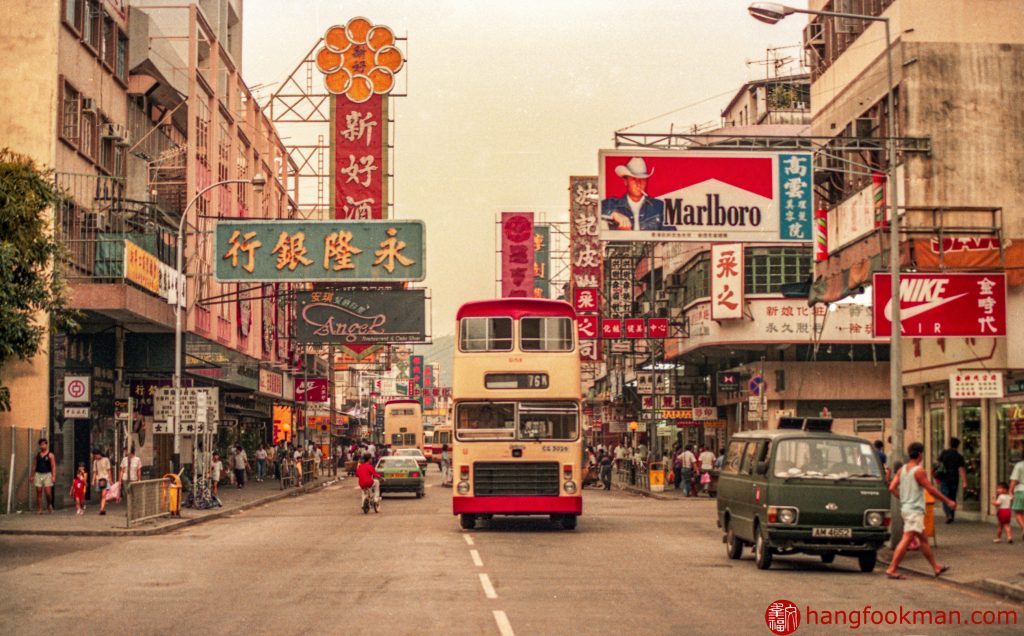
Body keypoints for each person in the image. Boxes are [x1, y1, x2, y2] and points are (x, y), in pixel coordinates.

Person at [886, 442, 955, 580]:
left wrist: (903, 498)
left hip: (907, 509)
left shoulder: (902, 469)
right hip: (914, 511)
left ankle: (936, 567)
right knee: (906, 539)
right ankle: (892, 568)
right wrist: (947, 501)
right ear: (920, 455)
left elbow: (892, 487)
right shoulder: (919, 471)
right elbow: (931, 489)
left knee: (923, 540)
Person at [601, 157, 666, 231]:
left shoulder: (659, 206)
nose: (639, 184)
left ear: (646, 182)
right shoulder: (612, 203)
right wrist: (613, 214)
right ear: (625, 181)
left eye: (642, 179)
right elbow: (598, 208)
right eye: (634, 179)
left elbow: (670, 231)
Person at [935, 438, 967, 523]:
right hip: (954, 479)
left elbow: (938, 464)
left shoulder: (944, 453)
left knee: (945, 496)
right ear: (958, 445)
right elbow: (961, 469)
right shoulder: (959, 456)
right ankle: (951, 515)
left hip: (944, 478)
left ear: (949, 444)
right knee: (952, 497)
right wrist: (964, 481)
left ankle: (947, 514)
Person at [29, 438, 57, 514]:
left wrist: (54, 476)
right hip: (38, 474)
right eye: (41, 445)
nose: (42, 446)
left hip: (47, 474)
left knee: (48, 493)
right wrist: (32, 475)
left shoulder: (50, 455)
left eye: (44, 444)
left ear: (47, 445)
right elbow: (34, 465)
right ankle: (40, 509)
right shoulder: (37, 455)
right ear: (39, 446)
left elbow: (53, 466)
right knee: (39, 492)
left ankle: (49, 504)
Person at [91, 449, 112, 516]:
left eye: (96, 455)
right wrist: (93, 480)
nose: (96, 457)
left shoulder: (106, 460)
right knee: (100, 495)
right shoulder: (95, 462)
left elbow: (109, 470)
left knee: (103, 495)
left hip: (105, 479)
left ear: (99, 454)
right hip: (98, 480)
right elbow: (95, 472)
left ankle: (102, 509)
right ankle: (103, 507)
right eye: (95, 456)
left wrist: (110, 479)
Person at [1010, 456, 1024, 538]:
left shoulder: (1019, 465)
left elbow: (1014, 480)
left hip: (1021, 490)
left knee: (1018, 512)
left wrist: (1010, 492)